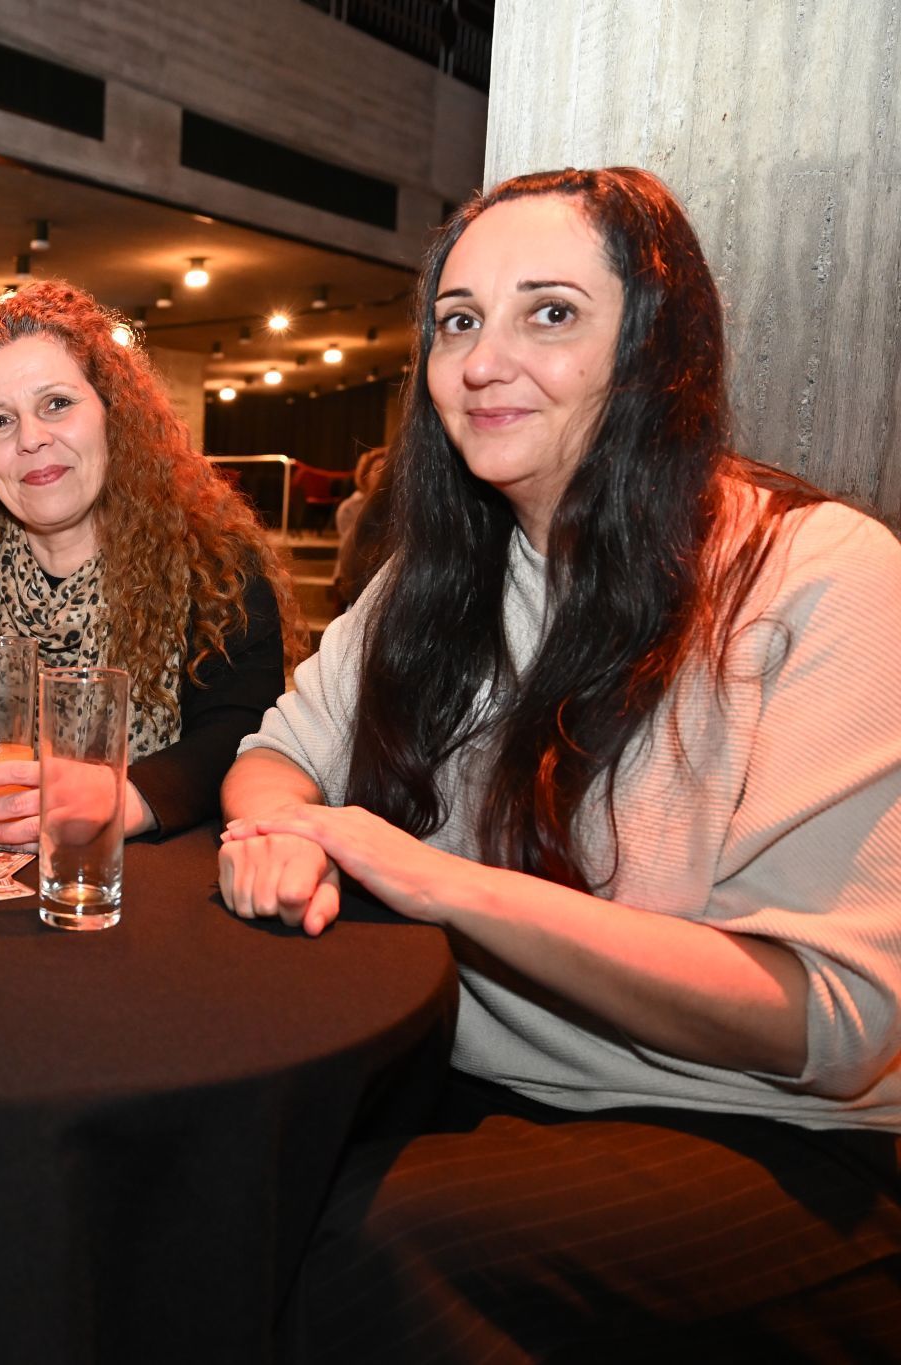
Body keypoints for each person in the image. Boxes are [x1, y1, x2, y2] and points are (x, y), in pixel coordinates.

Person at [219, 167, 901, 1359]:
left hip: (765, 1136)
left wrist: (434, 880)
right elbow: (274, 757)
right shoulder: (432, 584)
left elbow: (831, 1021)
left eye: (548, 313)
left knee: (366, 1255)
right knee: (216, 1190)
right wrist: (275, 828)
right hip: (478, 1086)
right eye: (458, 321)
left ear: (652, 351)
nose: (483, 361)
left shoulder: (823, 576)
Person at [0, 281, 298, 842]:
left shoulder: (217, 570)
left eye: (56, 403)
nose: (31, 439)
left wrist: (128, 797)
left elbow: (244, 733)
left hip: (130, 892)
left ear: (113, 412)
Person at [330, 444, 390, 611]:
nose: (383, 474)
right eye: (378, 469)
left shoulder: (400, 508)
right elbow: (351, 548)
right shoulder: (350, 507)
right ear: (364, 475)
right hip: (351, 582)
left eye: (388, 469)